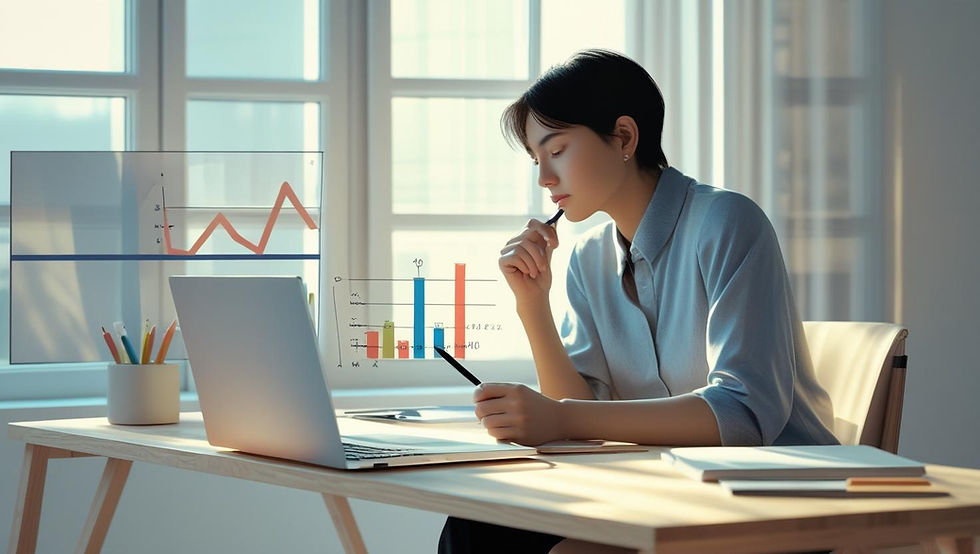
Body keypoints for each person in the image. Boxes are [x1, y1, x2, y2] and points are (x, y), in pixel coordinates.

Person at [438, 49, 838, 554]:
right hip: (666, 494)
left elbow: (743, 415)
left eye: (556, 149)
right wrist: (532, 304)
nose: (544, 177)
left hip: (775, 500)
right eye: (537, 160)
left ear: (624, 137)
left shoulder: (727, 222)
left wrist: (559, 418)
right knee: (477, 525)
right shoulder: (587, 260)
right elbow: (581, 418)